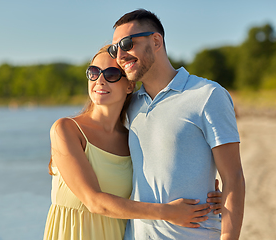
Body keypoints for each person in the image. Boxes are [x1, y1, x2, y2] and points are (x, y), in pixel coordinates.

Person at [43, 45, 223, 240]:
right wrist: (168, 213)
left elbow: (159, 180)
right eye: (93, 73)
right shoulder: (66, 130)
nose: (100, 80)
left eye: (111, 74)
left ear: (129, 86)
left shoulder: (133, 139)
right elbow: (94, 202)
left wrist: (205, 192)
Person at [108, 9, 245, 240]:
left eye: (127, 43)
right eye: (115, 49)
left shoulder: (207, 95)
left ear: (156, 40)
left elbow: (234, 178)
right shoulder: (129, 106)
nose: (120, 55)